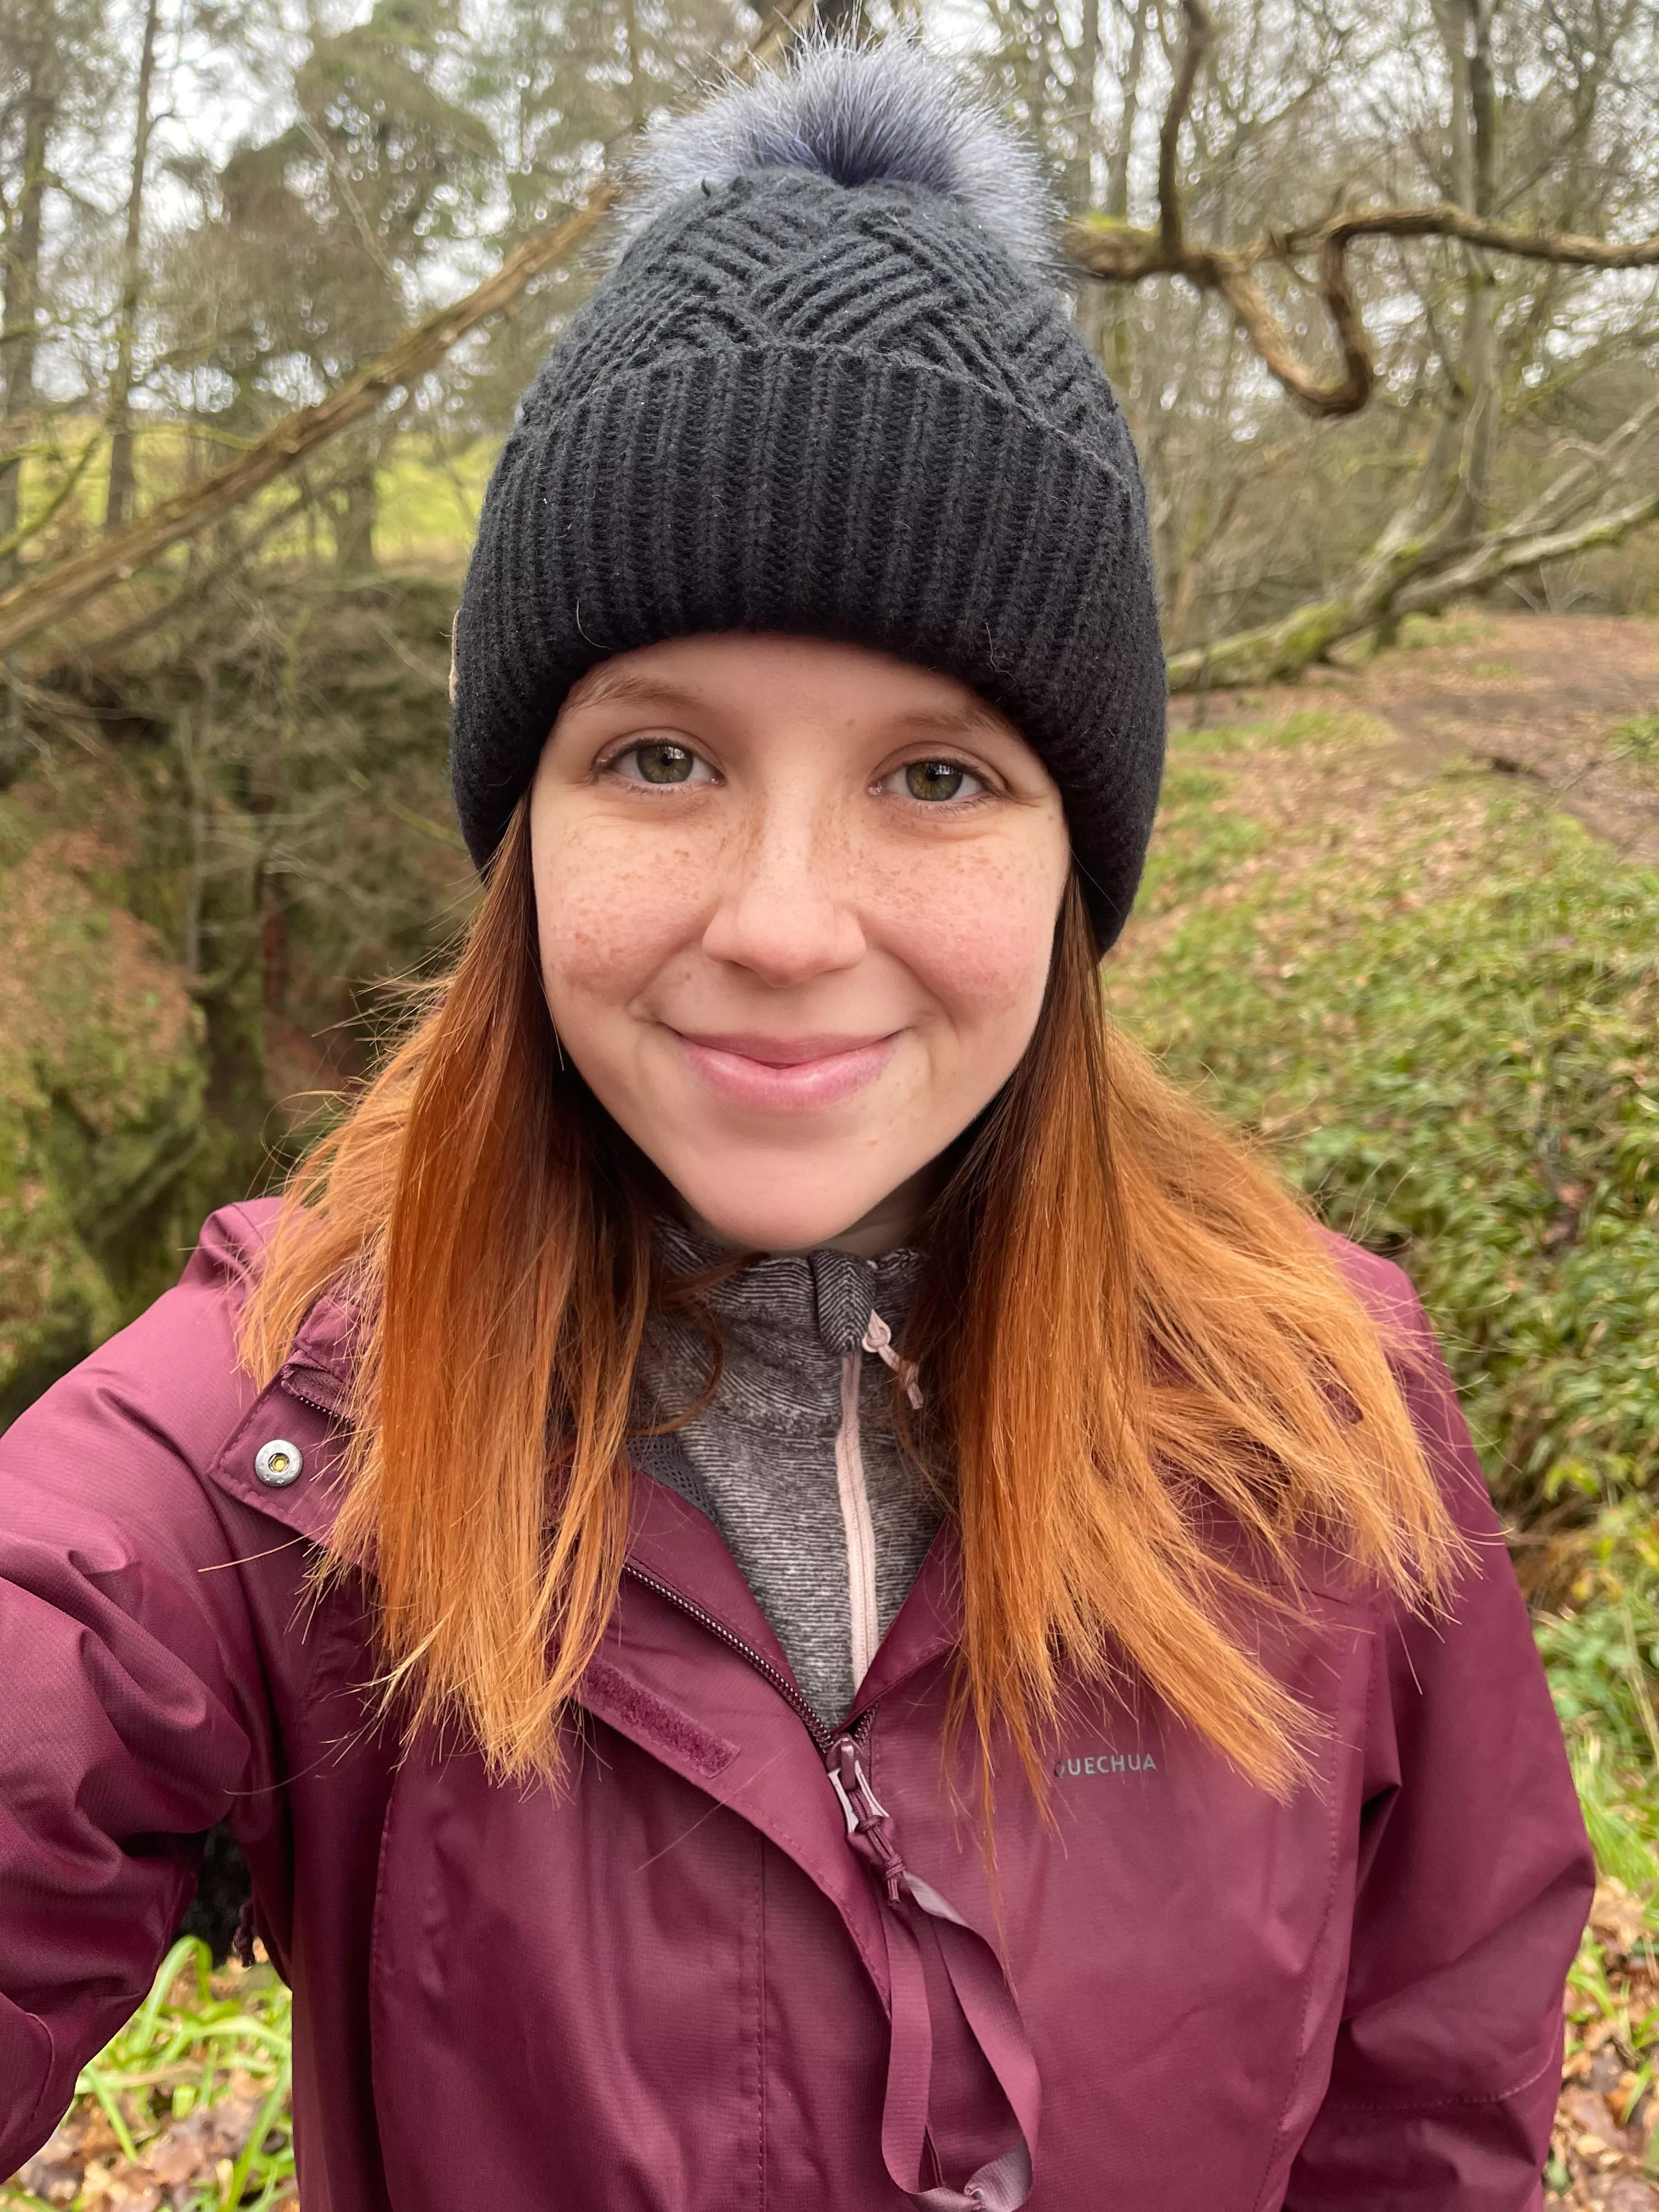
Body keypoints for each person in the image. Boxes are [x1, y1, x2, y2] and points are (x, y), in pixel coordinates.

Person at [0, 40, 1590, 2212]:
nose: (780, 926)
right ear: (524, 830)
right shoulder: (272, 1453)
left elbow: (1425, 2118)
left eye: (937, 777)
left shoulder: (1329, 1425)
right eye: (661, 759)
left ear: (1076, 863)